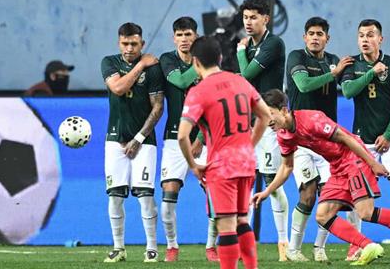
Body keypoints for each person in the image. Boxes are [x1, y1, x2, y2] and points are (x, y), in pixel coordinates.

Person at [252, 89, 390, 266]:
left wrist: (372, 163)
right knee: (323, 215)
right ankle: (369, 246)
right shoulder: (284, 135)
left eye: (270, 113)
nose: (267, 120)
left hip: (354, 158)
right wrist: (267, 191)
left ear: (284, 110)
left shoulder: (311, 119)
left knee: (365, 212)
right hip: (338, 166)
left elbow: (346, 138)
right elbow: (286, 167)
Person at [177, 36, 271, 269]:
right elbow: (266, 115)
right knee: (242, 220)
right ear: (220, 58)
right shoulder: (240, 82)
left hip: (222, 165)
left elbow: (181, 135)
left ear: (195, 62)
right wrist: (249, 143)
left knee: (226, 224)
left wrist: (192, 165)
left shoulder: (198, 92)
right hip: (247, 161)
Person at [339, 19, 390, 261]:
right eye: (361, 35)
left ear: (380, 39)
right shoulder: (352, 65)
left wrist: (389, 135)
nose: (364, 39)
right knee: (356, 194)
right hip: (361, 141)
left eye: (370, 35)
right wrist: (372, 72)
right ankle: (356, 243)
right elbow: (348, 91)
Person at [282, 17, 354, 262]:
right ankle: (293, 249)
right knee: (308, 194)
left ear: (327, 38)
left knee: (331, 196)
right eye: (310, 33)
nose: (315, 37)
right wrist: (333, 74)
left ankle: (319, 248)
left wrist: (348, 76)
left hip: (327, 140)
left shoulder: (335, 60)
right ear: (304, 37)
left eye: (319, 34)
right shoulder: (296, 57)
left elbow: (348, 86)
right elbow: (302, 85)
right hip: (301, 139)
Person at [100, 22, 165, 263]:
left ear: (142, 43)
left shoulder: (154, 70)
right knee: (115, 196)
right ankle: (119, 248)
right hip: (115, 139)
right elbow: (117, 88)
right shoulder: (109, 62)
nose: (129, 48)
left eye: (134, 44)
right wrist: (140, 64)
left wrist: (138, 138)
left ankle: (151, 248)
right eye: (125, 43)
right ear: (119, 43)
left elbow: (158, 106)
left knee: (145, 195)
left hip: (144, 141)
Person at [235, 0, 290, 260]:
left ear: (266, 19)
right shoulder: (250, 48)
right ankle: (240, 243)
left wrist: (238, 53)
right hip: (246, 122)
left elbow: (246, 76)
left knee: (271, 181)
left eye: (254, 17)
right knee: (242, 182)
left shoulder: (273, 44)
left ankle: (283, 243)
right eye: (246, 17)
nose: (248, 21)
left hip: (268, 122)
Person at [157, 17, 217, 262]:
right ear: (174, 38)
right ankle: (172, 246)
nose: (183, 40)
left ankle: (211, 246)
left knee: (214, 194)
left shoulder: (208, 65)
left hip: (204, 138)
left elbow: (213, 103)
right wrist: (202, 62)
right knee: (168, 193)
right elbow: (180, 81)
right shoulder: (167, 60)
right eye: (179, 35)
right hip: (174, 138)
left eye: (188, 35)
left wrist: (201, 137)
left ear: (196, 37)